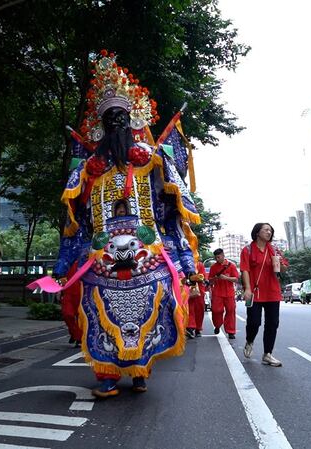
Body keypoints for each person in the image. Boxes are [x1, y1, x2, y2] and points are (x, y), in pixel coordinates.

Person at [51, 51, 200, 398]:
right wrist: (61, 265)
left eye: (121, 116)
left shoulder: (152, 159)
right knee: (99, 316)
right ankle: (105, 374)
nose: (116, 123)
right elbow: (76, 223)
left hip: (148, 256)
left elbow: (173, 214)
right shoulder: (88, 168)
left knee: (152, 314)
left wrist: (188, 264)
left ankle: (140, 368)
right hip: (100, 259)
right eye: (109, 118)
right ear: (101, 125)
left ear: (132, 119)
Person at [240, 223, 288, 367]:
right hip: (255, 292)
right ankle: (249, 341)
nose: (269, 232)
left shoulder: (275, 250)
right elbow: (245, 270)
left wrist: (280, 264)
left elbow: (283, 270)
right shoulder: (247, 250)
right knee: (254, 322)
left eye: (270, 230)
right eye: (265, 230)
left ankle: (267, 354)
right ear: (257, 232)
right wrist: (247, 289)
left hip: (272, 292)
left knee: (272, 323)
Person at [209, 248, 239, 338]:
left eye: (218, 257)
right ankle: (217, 325)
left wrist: (226, 278)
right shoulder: (213, 267)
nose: (217, 259)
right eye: (216, 258)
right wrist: (215, 278)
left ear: (223, 255)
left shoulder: (231, 266)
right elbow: (210, 281)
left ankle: (231, 332)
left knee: (231, 311)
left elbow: (236, 279)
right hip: (217, 293)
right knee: (216, 310)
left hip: (229, 293)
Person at [186, 260, 206, 338]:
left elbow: (202, 277)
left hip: (199, 290)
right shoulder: (184, 263)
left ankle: (198, 328)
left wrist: (194, 278)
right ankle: (190, 327)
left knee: (199, 309)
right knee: (189, 308)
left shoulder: (199, 264)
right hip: (188, 289)